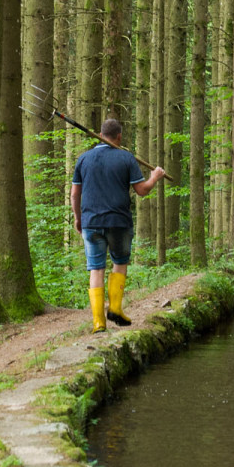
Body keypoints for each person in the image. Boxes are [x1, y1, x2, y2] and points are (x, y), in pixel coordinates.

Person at [70, 119, 167, 332]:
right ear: (119, 136)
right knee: (120, 262)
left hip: (91, 223)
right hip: (119, 222)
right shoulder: (126, 158)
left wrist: (78, 218)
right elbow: (142, 190)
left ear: (101, 134)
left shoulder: (83, 159)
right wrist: (155, 177)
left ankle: (98, 322)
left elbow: (75, 194)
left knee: (95, 268)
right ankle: (114, 308)